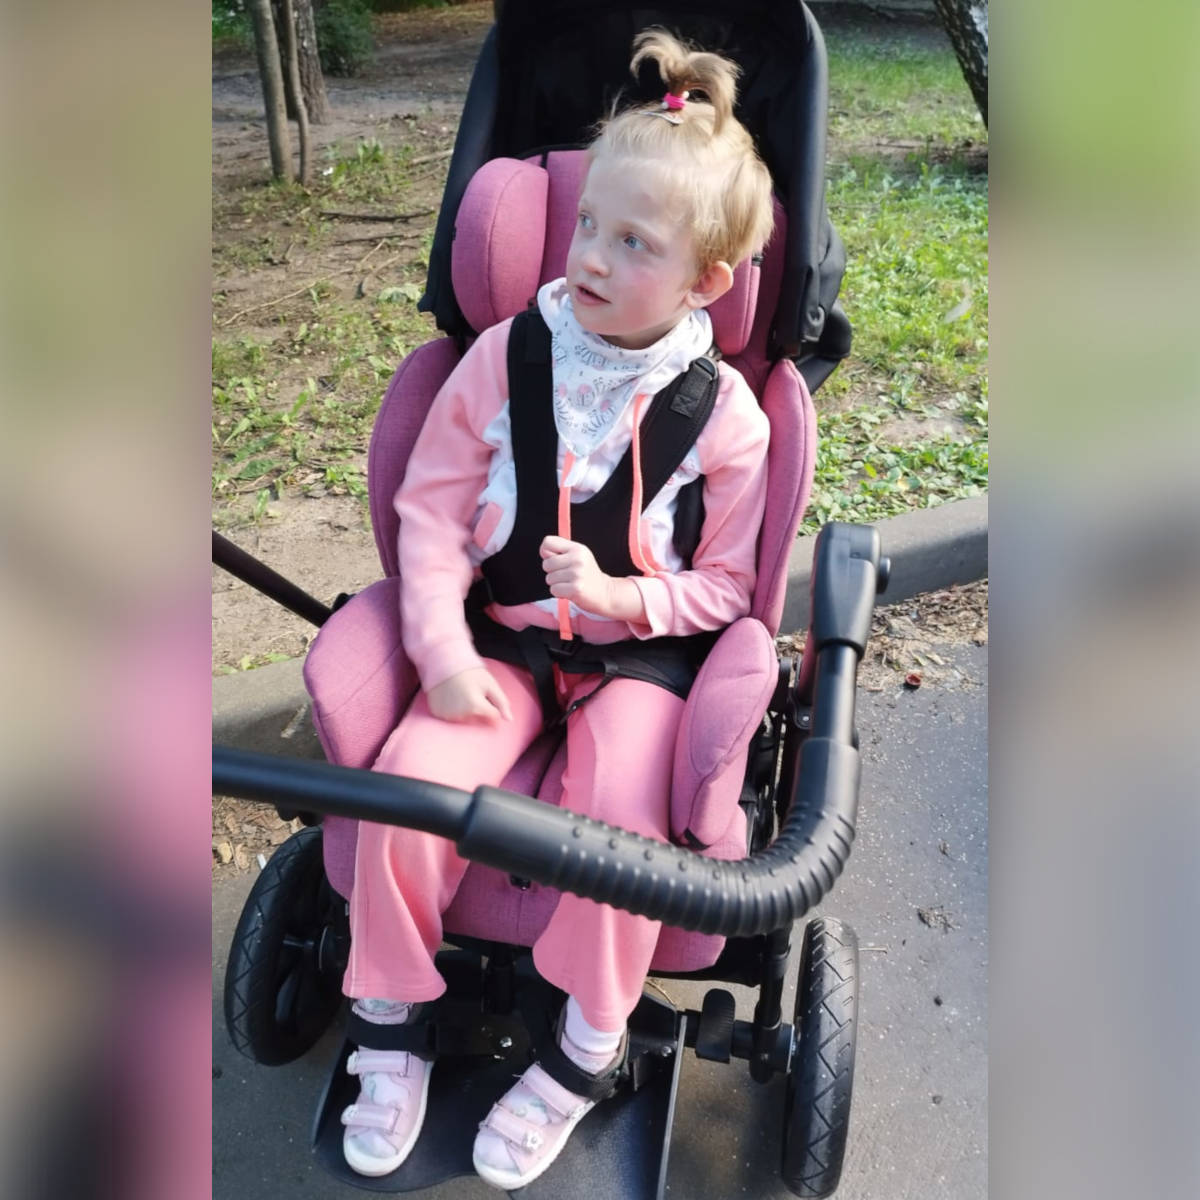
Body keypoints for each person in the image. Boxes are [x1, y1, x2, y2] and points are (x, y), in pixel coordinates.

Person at [338, 28, 776, 1190]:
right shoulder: (503, 355)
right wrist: (439, 649)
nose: (591, 255)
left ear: (706, 282)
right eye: (587, 225)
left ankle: (581, 1047)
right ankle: (390, 1016)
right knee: (410, 781)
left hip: (643, 656)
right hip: (504, 640)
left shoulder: (727, 416)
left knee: (621, 824)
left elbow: (730, 588)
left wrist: (628, 594)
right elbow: (433, 515)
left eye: (634, 243)